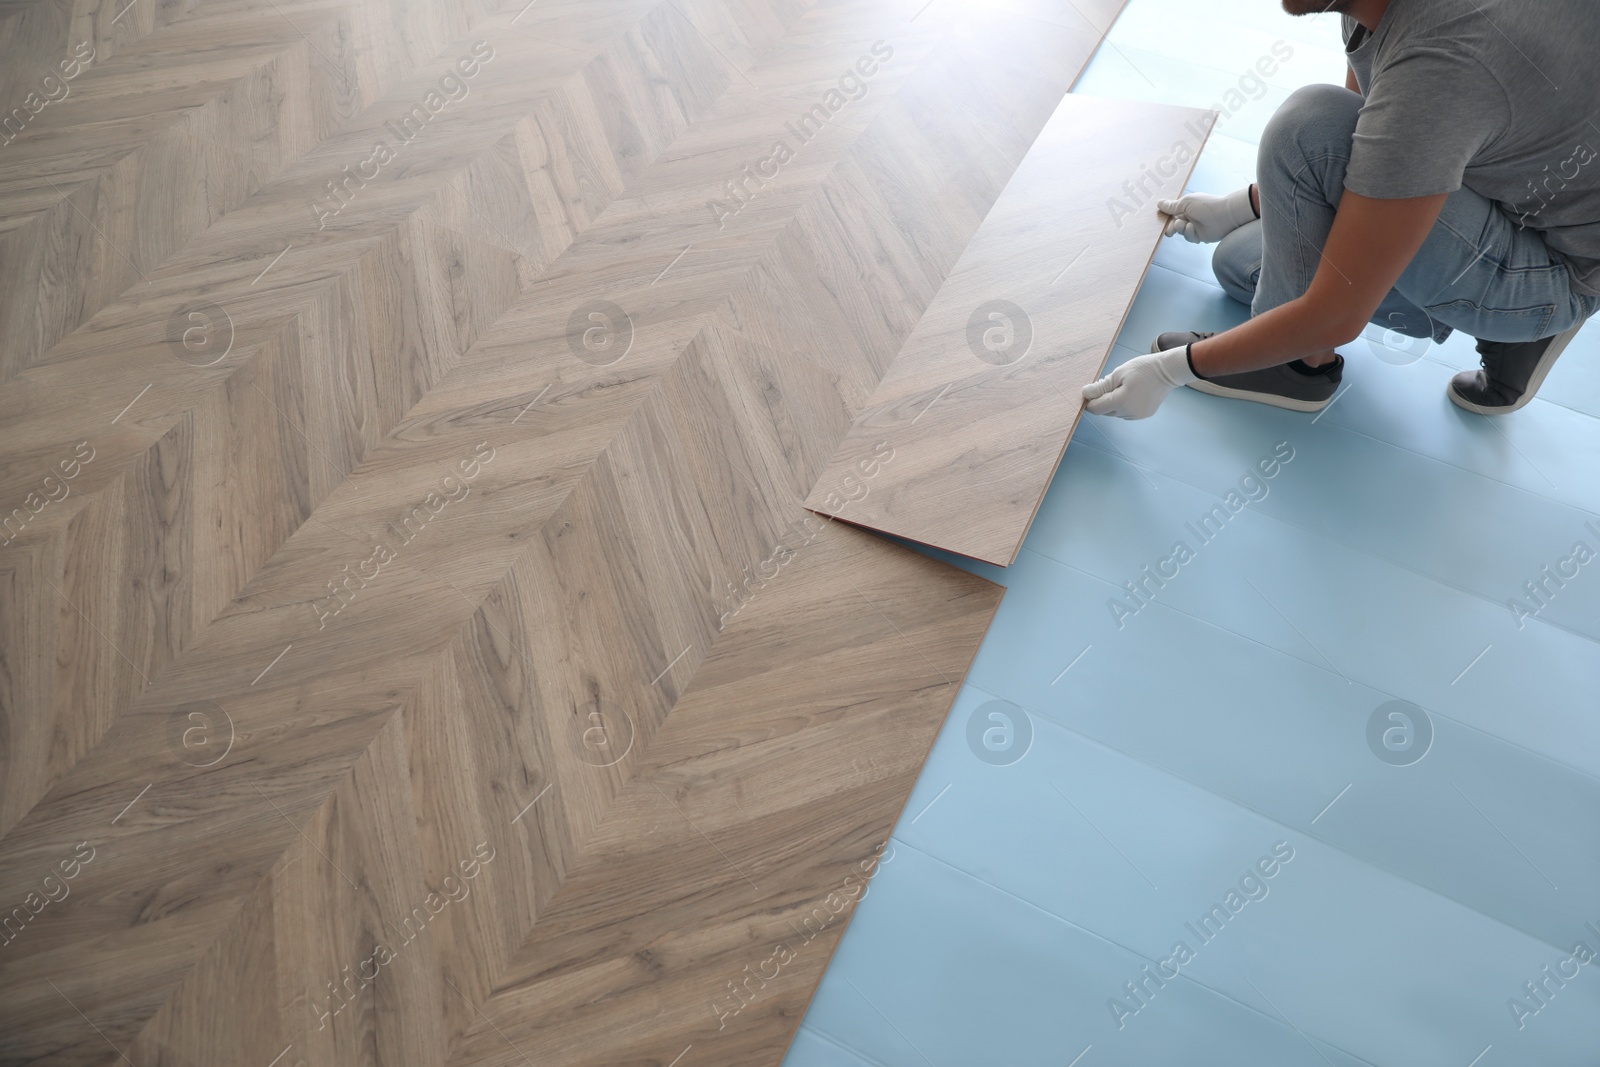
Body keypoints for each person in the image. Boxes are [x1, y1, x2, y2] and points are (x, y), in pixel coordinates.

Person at [1082, 0, 1600, 420]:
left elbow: (1336, 313)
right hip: (1514, 180)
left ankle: (1295, 369)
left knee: (1307, 123)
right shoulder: (1382, 11)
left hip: (1557, 269)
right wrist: (1240, 205)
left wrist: (1175, 370)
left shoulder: (1444, 61)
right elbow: (1369, 132)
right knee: (1243, 265)